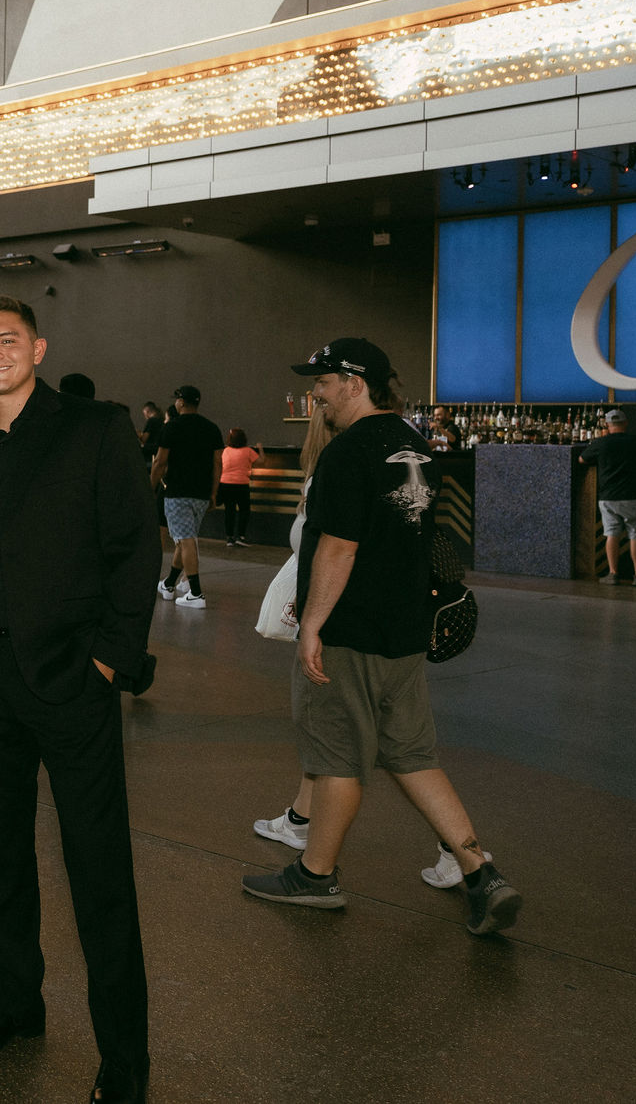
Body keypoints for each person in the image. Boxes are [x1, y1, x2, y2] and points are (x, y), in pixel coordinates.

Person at [0, 295, 155, 1103]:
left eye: (7, 340)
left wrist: (109, 664)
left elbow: (134, 549)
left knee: (98, 872)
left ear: (39, 346)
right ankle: (15, 1005)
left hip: (69, 680)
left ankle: (125, 1062)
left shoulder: (95, 429)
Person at [242, 338, 522, 940]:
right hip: (405, 632)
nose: (315, 394)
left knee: (337, 756)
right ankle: (480, 870)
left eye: (322, 382)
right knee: (412, 755)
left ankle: (315, 876)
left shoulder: (348, 453)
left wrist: (312, 624)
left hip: (352, 630)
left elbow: (340, 547)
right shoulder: (416, 445)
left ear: (353, 381)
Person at [152, 385, 223, 609]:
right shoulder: (211, 428)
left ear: (181, 402)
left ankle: (195, 592)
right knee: (185, 538)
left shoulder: (172, 427)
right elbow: (217, 464)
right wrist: (213, 492)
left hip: (177, 492)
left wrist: (149, 488)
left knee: (186, 540)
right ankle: (170, 583)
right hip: (201, 493)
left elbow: (160, 462)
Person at [577, 408, 636, 586]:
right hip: (634, 495)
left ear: (607, 424)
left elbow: (582, 459)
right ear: (625, 423)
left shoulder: (601, 443)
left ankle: (613, 574)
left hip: (608, 496)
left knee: (611, 534)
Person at [217, 428, 262, 547]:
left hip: (225, 484)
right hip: (241, 484)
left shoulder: (225, 451)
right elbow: (261, 461)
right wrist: (260, 448)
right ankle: (241, 536)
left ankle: (229, 538)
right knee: (244, 510)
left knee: (229, 511)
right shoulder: (248, 451)